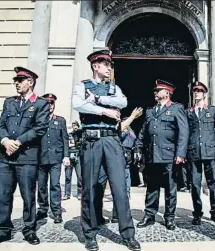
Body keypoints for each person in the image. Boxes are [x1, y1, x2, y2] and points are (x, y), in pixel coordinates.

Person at [72, 49, 140, 251]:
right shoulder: (82, 86)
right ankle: (90, 234)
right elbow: (78, 105)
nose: (109, 68)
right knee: (91, 188)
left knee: (119, 187)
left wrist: (98, 100)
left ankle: (128, 234)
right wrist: (105, 111)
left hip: (112, 140)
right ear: (96, 66)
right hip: (91, 141)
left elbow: (123, 102)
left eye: (110, 65)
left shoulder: (114, 87)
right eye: (106, 64)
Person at [0, 67, 50, 246]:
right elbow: (1, 125)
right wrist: (5, 140)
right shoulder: (9, 102)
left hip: (27, 157)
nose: (17, 83)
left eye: (20, 80)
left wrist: (18, 142)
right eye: (16, 80)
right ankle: (3, 230)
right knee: (4, 195)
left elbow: (40, 128)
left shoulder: (41, 104)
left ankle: (29, 229)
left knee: (28, 196)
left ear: (30, 82)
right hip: (5, 156)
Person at [135, 79, 189, 231]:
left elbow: (183, 133)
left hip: (169, 155)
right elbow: (144, 131)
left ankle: (169, 218)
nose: (155, 93)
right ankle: (149, 215)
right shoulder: (150, 111)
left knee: (170, 189)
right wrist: (138, 148)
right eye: (155, 90)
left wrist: (180, 153)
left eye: (158, 90)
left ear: (167, 93)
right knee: (152, 187)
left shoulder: (177, 109)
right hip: (152, 155)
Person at [96, 107, 143, 224]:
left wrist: (137, 151)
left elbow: (136, 141)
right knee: (101, 188)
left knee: (124, 190)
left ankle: (118, 215)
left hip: (126, 161)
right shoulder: (115, 127)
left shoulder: (131, 132)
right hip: (114, 157)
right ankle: (97, 216)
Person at [186, 81, 215, 225]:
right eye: (195, 91)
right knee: (195, 185)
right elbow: (186, 133)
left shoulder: (212, 111)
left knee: (213, 184)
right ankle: (197, 213)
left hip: (209, 152)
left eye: (199, 91)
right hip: (194, 152)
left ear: (205, 94)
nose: (196, 93)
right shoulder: (188, 112)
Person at [36, 93, 70, 224]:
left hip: (56, 158)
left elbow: (65, 139)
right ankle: (43, 209)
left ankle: (56, 212)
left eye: (52, 103)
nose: (50, 106)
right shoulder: (37, 120)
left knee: (55, 185)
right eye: (47, 103)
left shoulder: (60, 120)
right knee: (42, 186)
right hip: (40, 158)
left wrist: (66, 156)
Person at [64, 120, 83, 200]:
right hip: (70, 155)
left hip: (78, 156)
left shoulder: (80, 134)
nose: (74, 127)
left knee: (79, 177)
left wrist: (78, 130)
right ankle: (67, 194)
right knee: (68, 176)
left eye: (76, 125)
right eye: (73, 125)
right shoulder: (69, 135)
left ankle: (80, 193)